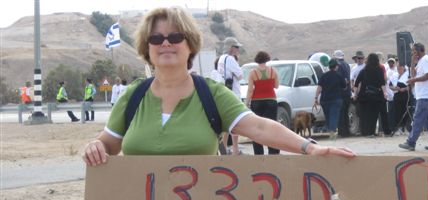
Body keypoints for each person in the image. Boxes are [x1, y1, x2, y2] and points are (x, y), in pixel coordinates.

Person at [82, 7, 355, 166]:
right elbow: (109, 145)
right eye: (156, 38)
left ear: (190, 44)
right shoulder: (133, 96)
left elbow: (260, 127)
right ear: (147, 47)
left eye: (175, 37)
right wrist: (95, 146)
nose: (165, 43)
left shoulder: (211, 94)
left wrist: (310, 148)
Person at [398, 42, 428, 151]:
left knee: (418, 119)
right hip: (425, 95)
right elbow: (414, 74)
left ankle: (411, 142)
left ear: (419, 50)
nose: (413, 53)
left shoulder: (426, 60)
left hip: (425, 95)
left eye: (414, 51)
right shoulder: (421, 61)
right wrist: (412, 63)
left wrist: (414, 80)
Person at [245, 50, 280, 155]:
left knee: (257, 127)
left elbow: (250, 90)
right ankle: (273, 151)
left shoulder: (253, 73)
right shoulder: (273, 71)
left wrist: (247, 103)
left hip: (256, 102)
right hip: (271, 100)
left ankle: (259, 153)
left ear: (257, 60)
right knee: (271, 127)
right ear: (267, 59)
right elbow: (276, 86)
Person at [217, 36, 244, 154]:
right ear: (231, 48)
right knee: (235, 122)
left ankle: (224, 147)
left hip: (224, 92)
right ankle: (235, 149)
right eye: (236, 47)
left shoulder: (221, 58)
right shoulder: (231, 59)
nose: (238, 49)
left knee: (226, 122)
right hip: (233, 94)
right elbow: (240, 75)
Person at [354, 53, 386, 137]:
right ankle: (371, 131)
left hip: (364, 96)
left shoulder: (363, 70)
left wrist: (355, 94)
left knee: (365, 115)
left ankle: (366, 132)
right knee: (374, 115)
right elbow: (382, 83)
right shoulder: (379, 70)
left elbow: (356, 83)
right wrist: (385, 94)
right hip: (376, 96)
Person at [314, 58, 346, 140]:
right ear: (336, 66)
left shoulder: (323, 76)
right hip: (336, 99)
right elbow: (344, 86)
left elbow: (319, 88)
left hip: (324, 100)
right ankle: (332, 133)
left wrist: (316, 98)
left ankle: (331, 131)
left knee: (328, 116)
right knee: (334, 116)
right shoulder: (339, 75)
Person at [333, 49, 352, 137]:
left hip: (341, 92)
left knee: (340, 113)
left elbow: (341, 80)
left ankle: (342, 132)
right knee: (345, 113)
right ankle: (347, 131)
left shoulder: (339, 65)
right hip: (347, 92)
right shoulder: (347, 65)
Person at [392, 63, 411, 134]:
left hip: (405, 97)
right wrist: (394, 88)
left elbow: (410, 86)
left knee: (406, 112)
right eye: (398, 67)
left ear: (403, 68)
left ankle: (405, 128)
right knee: (397, 113)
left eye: (400, 67)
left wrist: (404, 89)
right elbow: (390, 85)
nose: (399, 68)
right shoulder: (394, 75)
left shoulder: (407, 75)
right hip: (397, 97)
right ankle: (398, 128)